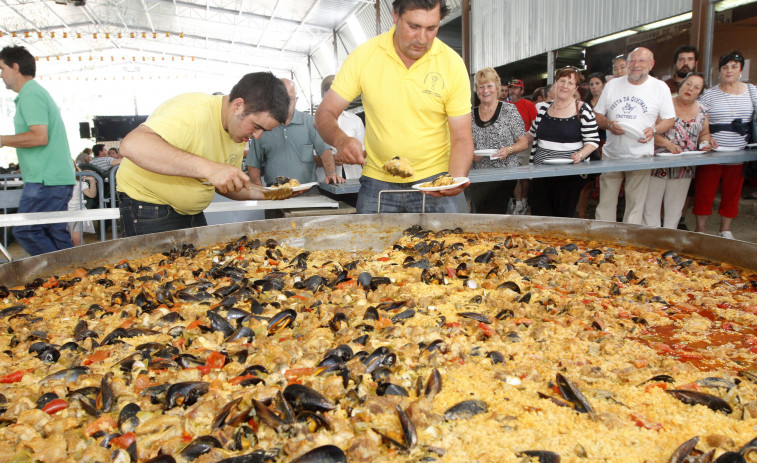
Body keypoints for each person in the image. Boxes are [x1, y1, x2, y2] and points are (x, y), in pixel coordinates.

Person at [314, 0, 473, 214]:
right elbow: (324, 113)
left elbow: (462, 137)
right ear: (395, 16)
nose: (422, 39)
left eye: (431, 28)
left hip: (434, 180)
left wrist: (452, 181)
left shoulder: (452, 64)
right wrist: (340, 139)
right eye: (414, 26)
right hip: (377, 181)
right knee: (370, 247)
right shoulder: (365, 56)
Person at [116, 72, 290, 237]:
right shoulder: (191, 111)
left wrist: (272, 194)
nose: (257, 136)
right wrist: (211, 169)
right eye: (256, 126)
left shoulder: (236, 130)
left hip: (192, 212)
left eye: (264, 131)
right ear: (238, 106)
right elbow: (132, 145)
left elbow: (227, 185)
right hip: (150, 209)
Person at [0, 46, 75, 255]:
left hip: (45, 180)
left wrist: (2, 140)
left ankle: (60, 275)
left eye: (2, 68)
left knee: (27, 231)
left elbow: (39, 136)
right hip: (51, 178)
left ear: (15, 67)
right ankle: (73, 277)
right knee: (54, 232)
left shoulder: (30, 94)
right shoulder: (35, 92)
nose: (1, 75)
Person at [593, 47, 676, 224]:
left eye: (642, 61)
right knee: (605, 203)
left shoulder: (660, 87)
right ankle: (603, 242)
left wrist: (654, 130)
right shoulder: (612, 85)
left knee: (635, 205)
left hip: (641, 155)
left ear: (651, 64)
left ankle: (628, 245)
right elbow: (597, 115)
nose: (636, 65)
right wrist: (608, 124)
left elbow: (670, 119)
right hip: (611, 154)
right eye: (632, 61)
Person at [694, 50, 755, 239]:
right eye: (725, 67)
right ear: (719, 71)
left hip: (740, 152)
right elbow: (699, 122)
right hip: (713, 153)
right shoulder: (709, 95)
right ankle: (701, 230)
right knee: (705, 191)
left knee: (733, 192)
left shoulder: (752, 91)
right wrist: (706, 138)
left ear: (741, 70)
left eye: (734, 67)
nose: (729, 71)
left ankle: (725, 229)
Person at [526, 67, 599, 217]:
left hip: (569, 176)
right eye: (562, 81)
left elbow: (593, 141)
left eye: (570, 83)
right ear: (556, 83)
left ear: (575, 88)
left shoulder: (583, 109)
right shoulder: (543, 108)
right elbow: (530, 135)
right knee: (539, 218)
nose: (565, 86)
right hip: (540, 174)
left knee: (562, 219)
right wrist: (509, 147)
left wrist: (581, 154)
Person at [642, 72, 712, 229]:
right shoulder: (663, 105)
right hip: (658, 164)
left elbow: (704, 133)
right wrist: (668, 144)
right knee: (651, 207)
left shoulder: (703, 111)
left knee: (675, 209)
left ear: (700, 93)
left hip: (684, 167)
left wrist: (705, 143)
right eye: (688, 84)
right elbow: (650, 132)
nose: (690, 89)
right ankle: (651, 241)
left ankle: (668, 242)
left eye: (696, 87)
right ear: (681, 84)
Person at [247, 79, 344, 186]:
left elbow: (324, 151)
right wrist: (259, 189)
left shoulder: (310, 122)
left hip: (308, 191)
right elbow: (253, 163)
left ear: (296, 100)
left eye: (289, 98)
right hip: (275, 193)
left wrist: (331, 173)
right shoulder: (263, 126)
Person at [469, 67, 529, 213]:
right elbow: (465, 142)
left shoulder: (509, 110)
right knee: (480, 213)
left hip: (504, 173)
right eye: (481, 87)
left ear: (496, 87)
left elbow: (523, 142)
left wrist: (509, 150)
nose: (485, 90)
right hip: (478, 175)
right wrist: (470, 154)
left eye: (489, 86)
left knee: (495, 211)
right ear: (476, 89)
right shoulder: (470, 114)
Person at [317, 75, 365, 180]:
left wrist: (348, 157)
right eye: (329, 93)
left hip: (353, 178)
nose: (334, 98)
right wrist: (330, 159)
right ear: (323, 94)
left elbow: (364, 151)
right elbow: (310, 157)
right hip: (325, 179)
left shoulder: (355, 120)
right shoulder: (315, 122)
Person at [576, 72, 606, 218]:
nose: (594, 87)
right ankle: (582, 215)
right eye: (592, 84)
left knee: (604, 183)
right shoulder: (584, 104)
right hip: (587, 148)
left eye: (597, 83)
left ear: (604, 85)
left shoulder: (609, 101)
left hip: (605, 144)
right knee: (585, 184)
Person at [507, 78, 537, 216]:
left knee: (524, 175)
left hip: (526, 143)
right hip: (510, 144)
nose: (513, 90)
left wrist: (528, 141)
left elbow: (535, 126)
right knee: (514, 175)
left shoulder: (529, 105)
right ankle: (518, 203)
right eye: (511, 87)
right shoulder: (505, 105)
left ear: (522, 90)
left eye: (516, 88)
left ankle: (524, 201)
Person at [68, 163, 97, 246]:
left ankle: (83, 258)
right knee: (66, 240)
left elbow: (91, 194)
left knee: (77, 239)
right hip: (63, 213)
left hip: (78, 213)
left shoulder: (79, 182)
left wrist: (92, 180)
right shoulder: (56, 182)